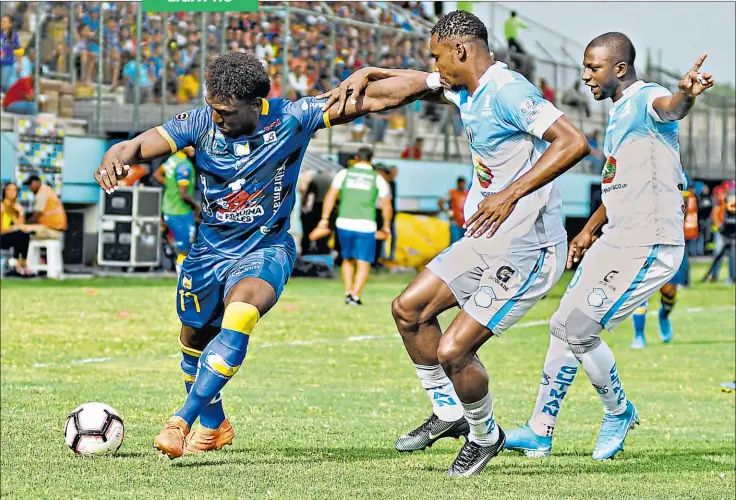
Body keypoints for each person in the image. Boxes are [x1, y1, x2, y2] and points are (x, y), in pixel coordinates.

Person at [93, 51, 434, 460]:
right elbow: (144, 143)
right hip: (208, 252)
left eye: (226, 112)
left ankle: (180, 421)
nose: (218, 119)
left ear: (256, 105)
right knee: (194, 337)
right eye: (213, 108)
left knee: (241, 313)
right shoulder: (201, 122)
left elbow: (376, 98)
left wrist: (435, 81)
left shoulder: (294, 117)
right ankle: (215, 426)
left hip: (265, 246)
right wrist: (120, 151)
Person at [320, 10, 589, 476]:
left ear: (460, 51)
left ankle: (485, 436)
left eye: (437, 56)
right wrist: (370, 75)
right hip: (486, 237)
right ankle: (449, 413)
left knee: (453, 351)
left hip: (528, 247)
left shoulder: (508, 91)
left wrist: (509, 193)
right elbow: (407, 86)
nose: (434, 65)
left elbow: (572, 141)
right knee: (409, 310)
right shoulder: (466, 88)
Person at [504, 33, 714, 461]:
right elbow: (618, 180)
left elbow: (670, 108)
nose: (585, 76)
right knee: (561, 326)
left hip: (649, 241)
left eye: (592, 68)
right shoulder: (619, 113)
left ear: (619, 68)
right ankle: (540, 430)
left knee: (581, 330)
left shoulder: (645, 97)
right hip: (616, 237)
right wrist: (588, 231)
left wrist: (685, 96)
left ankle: (619, 412)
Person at [318, 147, 392, 305]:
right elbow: (386, 205)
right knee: (364, 261)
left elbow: (330, 196)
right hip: (366, 225)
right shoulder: (377, 178)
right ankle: (355, 295)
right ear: (371, 160)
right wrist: (386, 226)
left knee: (347, 258)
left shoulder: (344, 173)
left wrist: (324, 218)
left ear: (357, 158)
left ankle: (348, 291)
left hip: (343, 222)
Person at [630, 172, 695, 348]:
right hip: (643, 241)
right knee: (640, 290)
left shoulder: (679, 174)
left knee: (669, 291)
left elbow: (685, 206)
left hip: (670, 241)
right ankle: (639, 335)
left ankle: (664, 316)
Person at [153, 147, 199, 276]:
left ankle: (183, 276)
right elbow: (183, 194)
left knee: (182, 248)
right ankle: (183, 280)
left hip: (168, 208)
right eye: (189, 145)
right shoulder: (184, 165)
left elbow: (157, 174)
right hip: (180, 211)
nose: (193, 147)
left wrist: (171, 185)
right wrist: (197, 207)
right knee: (186, 249)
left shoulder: (172, 160)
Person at [0, 182, 34, 276]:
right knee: (18, 234)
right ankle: (19, 264)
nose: (12, 192)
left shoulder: (16, 207)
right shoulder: (2, 207)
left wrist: (21, 212)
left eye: (15, 190)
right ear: (4, 191)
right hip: (3, 237)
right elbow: (1, 229)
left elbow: (21, 225)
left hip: (15, 236)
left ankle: (22, 263)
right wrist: (13, 227)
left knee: (23, 234)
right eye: (9, 190)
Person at [438, 177, 468, 244]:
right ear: (458, 184)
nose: (462, 185)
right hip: (455, 222)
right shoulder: (452, 193)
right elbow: (440, 203)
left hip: (465, 222)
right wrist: (448, 212)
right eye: (461, 184)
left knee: (464, 243)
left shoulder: (467, 193)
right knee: (455, 242)